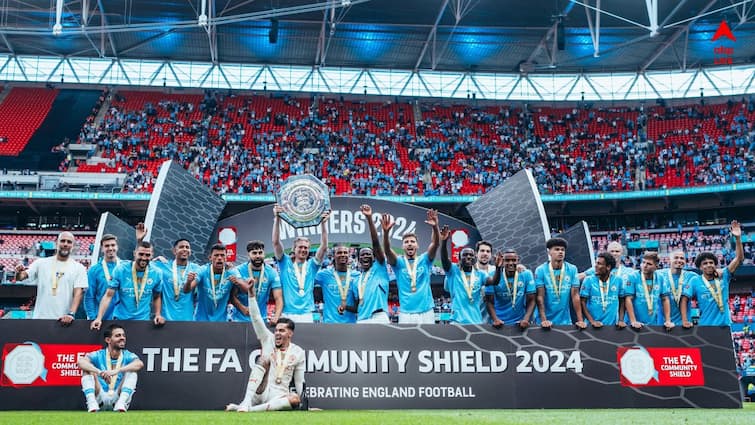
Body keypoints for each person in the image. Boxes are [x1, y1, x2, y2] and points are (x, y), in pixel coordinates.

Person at [225, 279, 305, 412]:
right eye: (277, 330)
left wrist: (306, 405)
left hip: (279, 395)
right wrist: (251, 294)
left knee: (295, 399)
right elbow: (256, 318)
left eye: (282, 331)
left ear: (290, 334)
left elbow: (299, 381)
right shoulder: (268, 339)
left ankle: (248, 410)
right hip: (261, 390)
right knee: (264, 358)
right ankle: (246, 402)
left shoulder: (298, 352)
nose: (277, 333)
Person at [272, 205, 330, 323]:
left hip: (306, 314)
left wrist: (324, 224)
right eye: (301, 247)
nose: (303, 250)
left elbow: (324, 247)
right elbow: (276, 242)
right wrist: (277, 218)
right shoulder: (284, 262)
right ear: (294, 248)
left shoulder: (312, 265)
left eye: (306, 248)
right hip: (287, 313)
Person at [681, 220, 744, 327]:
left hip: (725, 326)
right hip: (706, 327)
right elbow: (684, 299)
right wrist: (685, 320)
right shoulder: (695, 281)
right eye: (705, 263)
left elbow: (739, 259)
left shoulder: (724, 275)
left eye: (711, 262)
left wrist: (737, 238)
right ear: (700, 267)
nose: (709, 265)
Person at [14, 231, 87, 323]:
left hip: (64, 320)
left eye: (69, 242)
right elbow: (21, 277)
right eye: (63, 241)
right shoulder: (41, 263)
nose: (65, 244)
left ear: (73, 245)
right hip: (40, 318)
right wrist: (18, 272)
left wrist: (71, 314)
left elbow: (78, 293)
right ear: (56, 243)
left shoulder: (79, 268)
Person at [382, 209, 440, 324]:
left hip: (427, 311)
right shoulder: (398, 263)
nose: (409, 243)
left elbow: (435, 244)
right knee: (408, 342)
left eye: (412, 241)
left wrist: (435, 227)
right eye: (406, 242)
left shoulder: (425, 260)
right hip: (406, 313)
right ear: (403, 246)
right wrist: (386, 233)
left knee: (429, 341)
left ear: (417, 245)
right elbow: (387, 250)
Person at [90, 241, 165, 329]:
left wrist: (158, 314)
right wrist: (99, 318)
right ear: (134, 253)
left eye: (147, 255)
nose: (144, 258)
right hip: (121, 319)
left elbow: (157, 296)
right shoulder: (121, 270)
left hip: (143, 320)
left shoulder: (157, 273)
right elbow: (108, 295)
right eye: (140, 254)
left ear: (152, 255)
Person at [440, 225, 499, 325]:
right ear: (459, 259)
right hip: (457, 321)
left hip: (476, 321)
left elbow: (494, 281)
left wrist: (498, 267)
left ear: (475, 258)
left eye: (471, 255)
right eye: (465, 255)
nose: (468, 257)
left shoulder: (480, 274)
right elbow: (445, 260)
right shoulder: (453, 271)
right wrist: (444, 241)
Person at [77, 323, 144, 412]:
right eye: (118, 336)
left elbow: (139, 364)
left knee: (132, 371)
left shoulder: (127, 355)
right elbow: (80, 362)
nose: (122, 338)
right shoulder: (99, 354)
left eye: (123, 335)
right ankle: (91, 403)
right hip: (100, 396)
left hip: (118, 397)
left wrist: (117, 370)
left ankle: (121, 404)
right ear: (108, 340)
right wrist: (99, 372)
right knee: (87, 370)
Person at [342, 205, 390, 323]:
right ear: (358, 260)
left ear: (374, 258)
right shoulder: (356, 280)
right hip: (362, 319)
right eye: (362, 255)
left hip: (378, 316)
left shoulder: (379, 269)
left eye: (369, 254)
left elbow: (376, 244)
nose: (365, 256)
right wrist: (345, 307)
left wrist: (369, 218)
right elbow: (358, 306)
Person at [186, 243, 243, 322]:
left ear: (226, 258)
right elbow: (187, 290)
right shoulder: (203, 270)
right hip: (200, 321)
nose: (219, 258)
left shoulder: (231, 272)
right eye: (216, 255)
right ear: (210, 257)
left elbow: (246, 288)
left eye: (222, 255)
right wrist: (188, 282)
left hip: (222, 322)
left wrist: (238, 282)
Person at [231, 240, 282, 325]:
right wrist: (242, 308)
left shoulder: (271, 272)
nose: (258, 256)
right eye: (254, 253)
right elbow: (232, 296)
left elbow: (278, 298)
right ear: (248, 255)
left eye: (260, 253)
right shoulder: (238, 270)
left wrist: (276, 316)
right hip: (240, 320)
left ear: (264, 254)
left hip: (262, 320)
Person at [535, 237, 582, 328]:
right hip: (543, 321)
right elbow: (540, 297)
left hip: (565, 322)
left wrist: (580, 320)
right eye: (557, 249)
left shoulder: (572, 269)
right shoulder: (541, 270)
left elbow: (575, 296)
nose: (560, 252)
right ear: (549, 252)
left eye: (562, 250)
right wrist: (544, 320)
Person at [151, 239, 201, 321]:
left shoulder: (196, 269)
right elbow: (142, 264)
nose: (185, 249)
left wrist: (228, 267)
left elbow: (211, 270)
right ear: (174, 251)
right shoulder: (164, 266)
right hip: (166, 319)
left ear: (190, 251)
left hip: (188, 320)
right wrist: (154, 259)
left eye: (187, 247)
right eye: (181, 247)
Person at [622, 252, 675, 330]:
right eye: (643, 262)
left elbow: (665, 299)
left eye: (649, 264)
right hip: (633, 324)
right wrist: (633, 321)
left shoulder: (660, 278)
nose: (645, 266)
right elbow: (628, 299)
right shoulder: (633, 277)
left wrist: (668, 320)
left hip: (652, 324)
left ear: (656, 267)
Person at [486, 249, 536, 329]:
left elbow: (532, 300)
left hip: (520, 323)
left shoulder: (526, 274)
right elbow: (489, 301)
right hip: (499, 324)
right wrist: (495, 319)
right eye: (507, 260)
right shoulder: (493, 276)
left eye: (513, 260)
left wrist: (526, 319)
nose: (510, 263)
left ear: (518, 260)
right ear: (502, 261)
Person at [315, 244, 358, 323]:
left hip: (350, 323)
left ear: (349, 255)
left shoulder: (357, 275)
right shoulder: (324, 275)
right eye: (339, 252)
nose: (342, 255)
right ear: (333, 256)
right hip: (329, 322)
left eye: (345, 253)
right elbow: (307, 280)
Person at [580, 252, 623, 328]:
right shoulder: (588, 280)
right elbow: (582, 302)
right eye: (596, 263)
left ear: (608, 267)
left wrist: (620, 320)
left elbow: (622, 302)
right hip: (591, 327)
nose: (595, 266)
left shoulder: (618, 280)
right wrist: (592, 321)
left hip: (611, 327)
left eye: (599, 264)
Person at [85, 234, 120, 321]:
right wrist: (93, 318)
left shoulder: (125, 267)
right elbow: (89, 296)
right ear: (102, 249)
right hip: (102, 319)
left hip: (122, 318)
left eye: (113, 245)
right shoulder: (93, 270)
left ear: (117, 247)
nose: (110, 248)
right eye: (107, 246)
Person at [663, 250, 697, 326]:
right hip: (663, 323)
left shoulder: (692, 276)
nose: (679, 260)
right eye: (676, 258)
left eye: (682, 258)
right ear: (669, 260)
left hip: (684, 323)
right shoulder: (659, 275)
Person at [475, 241, 495, 324]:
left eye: (488, 251)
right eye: (482, 251)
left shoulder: (496, 271)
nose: (485, 253)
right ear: (476, 253)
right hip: (475, 318)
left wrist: (519, 267)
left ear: (491, 255)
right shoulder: (470, 270)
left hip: (494, 320)